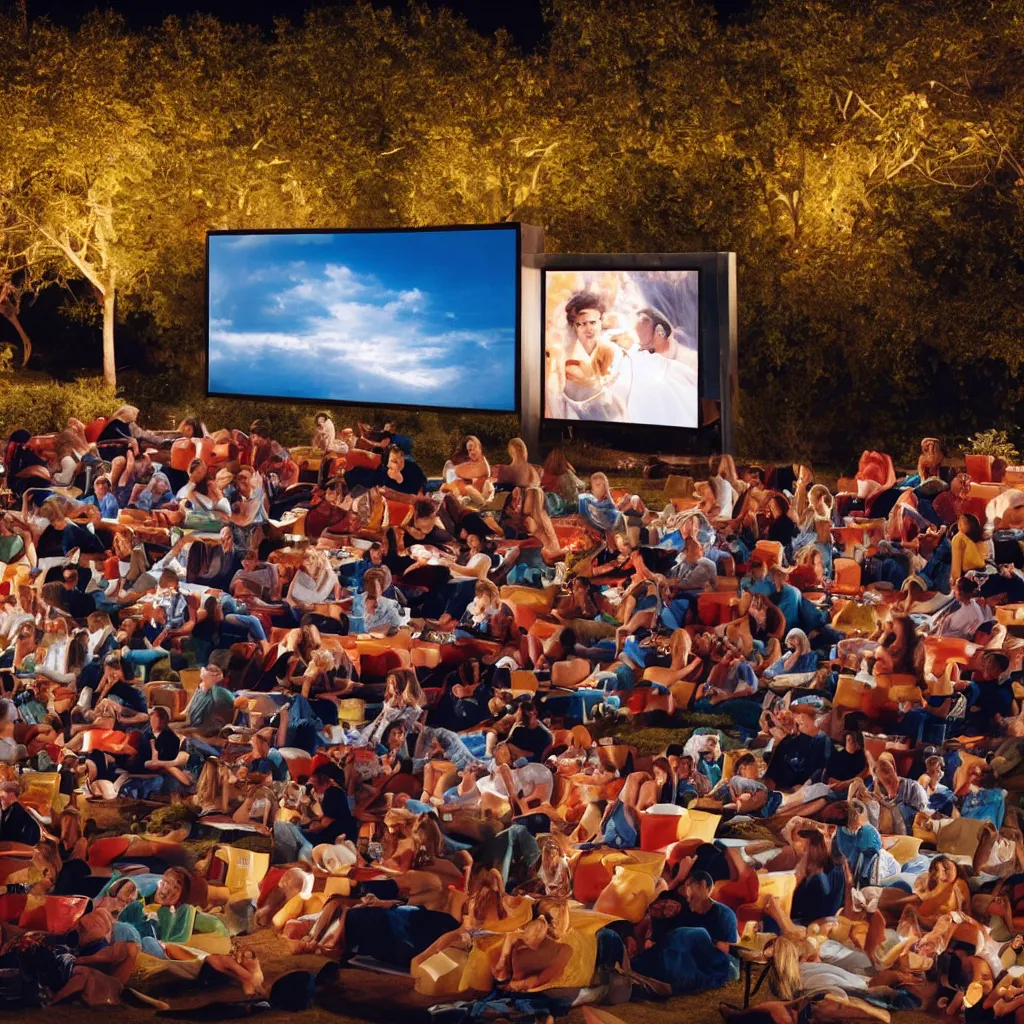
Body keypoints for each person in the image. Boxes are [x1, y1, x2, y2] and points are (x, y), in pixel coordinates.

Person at [0, 780, 41, 845]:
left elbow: (10, 834)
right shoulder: (5, 808)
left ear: (11, 794)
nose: (0, 795)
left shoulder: (17, 810)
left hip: (14, 845)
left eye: (3, 792)